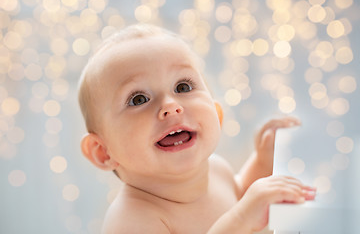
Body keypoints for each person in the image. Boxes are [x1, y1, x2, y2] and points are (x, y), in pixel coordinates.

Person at [78, 24, 316, 234]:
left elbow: (241, 195)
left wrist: (264, 160)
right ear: (103, 151)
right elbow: (244, 213)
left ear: (217, 115)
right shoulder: (132, 220)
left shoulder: (217, 169)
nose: (171, 106)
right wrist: (242, 218)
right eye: (139, 99)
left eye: (182, 86)